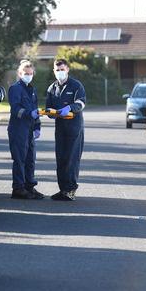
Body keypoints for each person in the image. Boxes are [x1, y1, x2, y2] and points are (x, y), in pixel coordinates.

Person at [45, 59, 86, 201]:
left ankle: (70, 190)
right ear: (54, 71)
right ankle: (63, 189)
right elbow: (49, 108)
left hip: (74, 127)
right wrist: (50, 113)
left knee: (71, 158)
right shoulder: (52, 88)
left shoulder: (76, 85)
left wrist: (70, 108)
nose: (60, 72)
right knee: (61, 158)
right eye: (57, 70)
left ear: (67, 69)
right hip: (60, 128)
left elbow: (81, 103)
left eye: (62, 69)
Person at [7, 60, 44, 200]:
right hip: (18, 129)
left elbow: (35, 110)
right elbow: (15, 109)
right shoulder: (15, 88)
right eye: (25, 73)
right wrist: (29, 114)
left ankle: (29, 186)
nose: (28, 75)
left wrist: (37, 126)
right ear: (20, 74)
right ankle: (18, 188)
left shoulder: (31, 89)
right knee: (20, 159)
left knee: (30, 159)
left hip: (29, 129)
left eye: (30, 73)